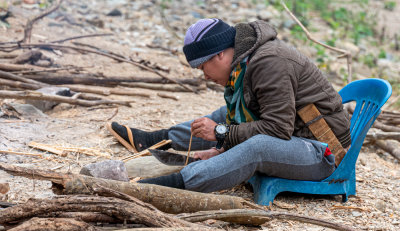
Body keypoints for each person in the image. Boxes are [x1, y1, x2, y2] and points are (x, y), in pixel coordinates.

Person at [107, 18, 351, 192]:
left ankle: (176, 185)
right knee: (225, 114)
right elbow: (248, 117)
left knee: (257, 145)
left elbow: (278, 129)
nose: (205, 76)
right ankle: (158, 139)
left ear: (220, 55)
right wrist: (222, 149)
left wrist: (220, 134)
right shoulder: (244, 63)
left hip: (322, 153)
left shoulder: (269, 62)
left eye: (203, 68)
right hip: (297, 138)